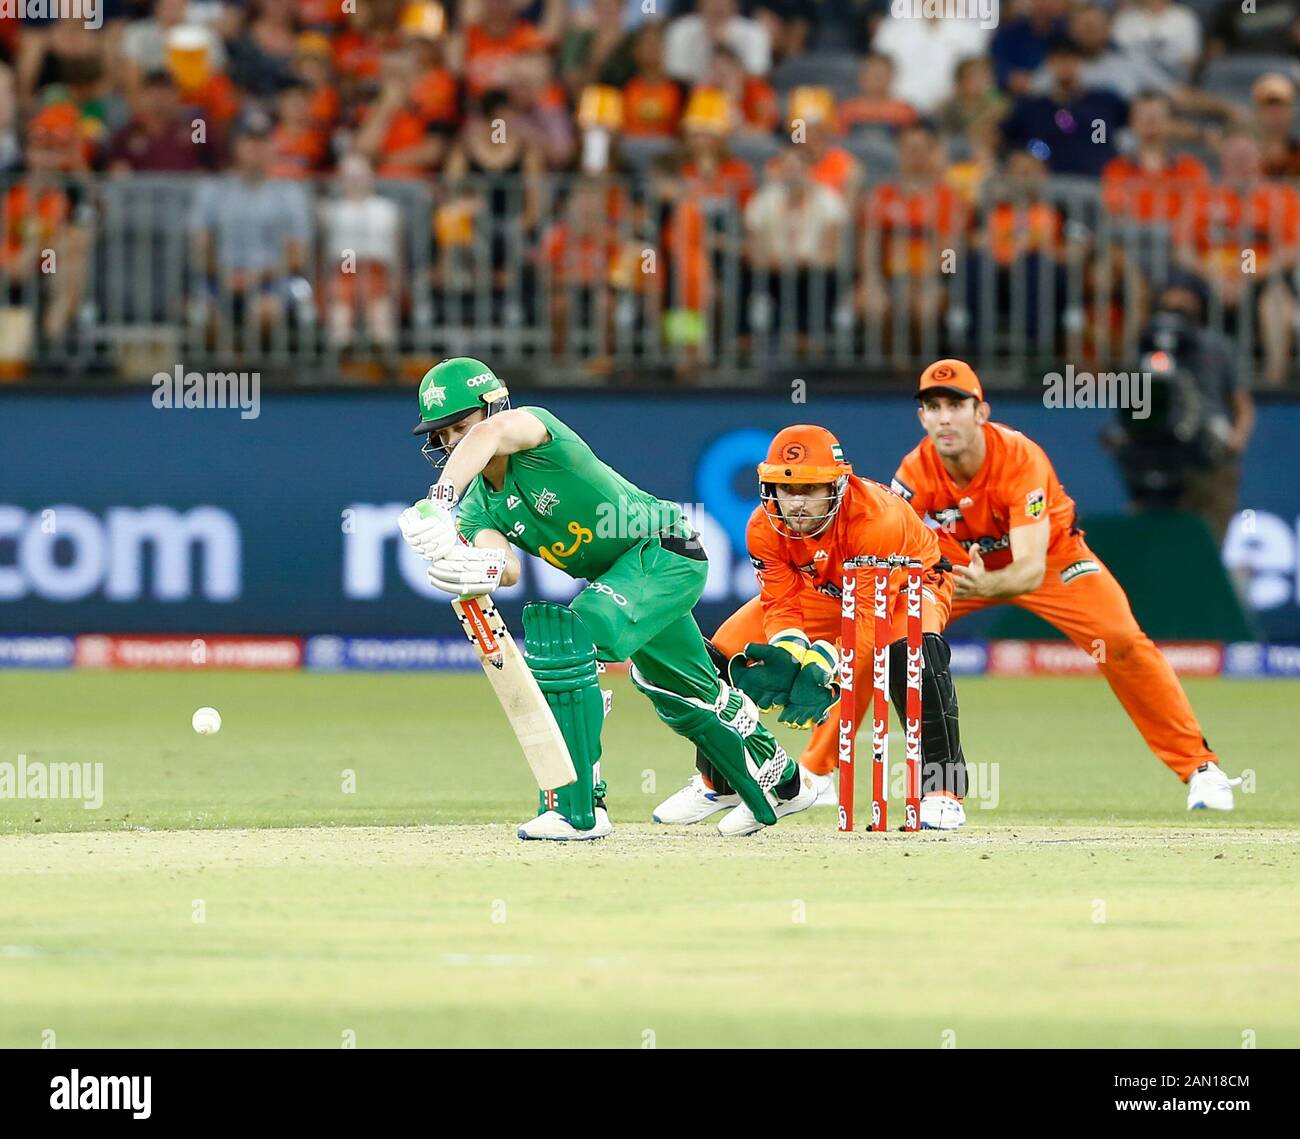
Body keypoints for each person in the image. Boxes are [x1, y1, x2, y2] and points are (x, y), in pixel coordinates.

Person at [399, 358, 815, 839]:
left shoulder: (533, 429)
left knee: (570, 638)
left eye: (459, 426)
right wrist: (471, 564)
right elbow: (506, 568)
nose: (451, 441)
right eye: (442, 433)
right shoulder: (477, 505)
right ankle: (787, 783)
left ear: (493, 405)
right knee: (683, 693)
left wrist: (440, 497)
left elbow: (487, 437)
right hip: (624, 576)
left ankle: (579, 809)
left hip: (662, 550)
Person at [893, 359, 1243, 811]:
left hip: (1053, 559)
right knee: (885, 634)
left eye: (956, 405)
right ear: (921, 416)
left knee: (1119, 641)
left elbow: (1030, 570)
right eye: (933, 406)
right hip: (962, 566)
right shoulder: (913, 473)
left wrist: (985, 584)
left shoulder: (1020, 457)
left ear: (981, 412)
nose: (944, 417)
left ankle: (1201, 768)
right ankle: (822, 773)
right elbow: (892, 550)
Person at [653, 424, 969, 831]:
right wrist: (788, 652)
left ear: (837, 485)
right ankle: (721, 782)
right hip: (824, 590)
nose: (797, 504)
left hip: (907, 583)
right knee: (718, 656)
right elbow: (781, 605)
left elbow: (868, 621)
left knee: (913, 655)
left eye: (810, 490)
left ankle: (941, 788)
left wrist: (820, 666)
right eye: (787, 490)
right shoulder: (762, 528)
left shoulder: (876, 520)